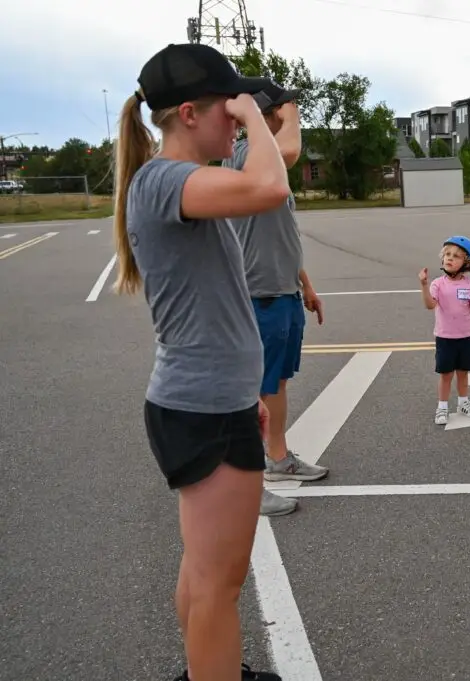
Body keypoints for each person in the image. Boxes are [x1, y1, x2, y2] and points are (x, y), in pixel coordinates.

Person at [112, 42, 290, 681]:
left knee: (203, 573)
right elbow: (270, 184)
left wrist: (249, 401)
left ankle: (209, 669)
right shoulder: (165, 181)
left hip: (210, 403)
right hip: (201, 407)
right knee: (220, 585)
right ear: (189, 113)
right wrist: (253, 114)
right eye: (227, 112)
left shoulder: (182, 186)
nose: (238, 123)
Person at [222, 80, 328, 518]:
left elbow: (282, 233)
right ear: (270, 113)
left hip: (282, 289)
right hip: (258, 293)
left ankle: (277, 458)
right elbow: (287, 153)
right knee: (254, 391)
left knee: (276, 384)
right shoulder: (249, 152)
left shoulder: (263, 157)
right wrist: (293, 115)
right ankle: (247, 483)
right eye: (282, 109)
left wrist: (305, 283)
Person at [419, 236, 470, 425]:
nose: (450, 258)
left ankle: (463, 402)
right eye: (447, 254)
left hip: (466, 336)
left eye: (456, 256)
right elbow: (429, 305)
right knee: (446, 374)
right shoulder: (438, 284)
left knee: (463, 372)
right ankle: (442, 406)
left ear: (466, 264)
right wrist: (424, 285)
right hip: (445, 337)